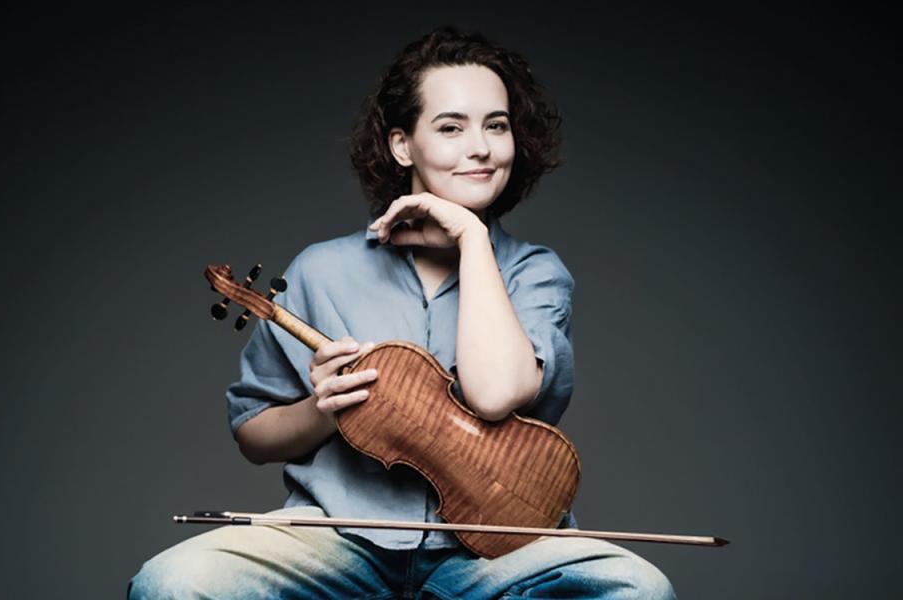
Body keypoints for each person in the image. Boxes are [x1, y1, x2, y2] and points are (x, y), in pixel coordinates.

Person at [128, 26, 676, 599]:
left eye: (497, 125)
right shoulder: (321, 269)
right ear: (402, 146)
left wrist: (471, 237)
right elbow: (254, 436)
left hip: (498, 548)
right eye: (450, 127)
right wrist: (322, 409)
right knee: (173, 584)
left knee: (637, 588)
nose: (481, 147)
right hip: (337, 541)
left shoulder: (535, 272)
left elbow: (494, 395)